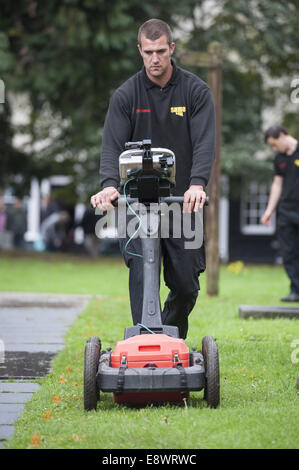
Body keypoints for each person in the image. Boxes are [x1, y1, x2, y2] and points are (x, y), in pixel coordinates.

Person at [91, 19, 216, 338]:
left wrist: (198, 184)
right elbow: (111, 147)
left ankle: (165, 340)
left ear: (171, 48)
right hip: (135, 204)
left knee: (187, 285)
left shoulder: (195, 91)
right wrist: (108, 187)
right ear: (140, 51)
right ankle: (145, 344)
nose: (155, 58)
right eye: (149, 52)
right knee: (141, 275)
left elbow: (205, 143)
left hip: (182, 204)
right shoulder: (126, 96)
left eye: (161, 51)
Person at [261, 125, 299, 302]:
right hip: (286, 211)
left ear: (283, 135)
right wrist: (269, 210)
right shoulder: (280, 159)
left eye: (275, 144)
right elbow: (277, 185)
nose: (274, 149)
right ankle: (296, 290)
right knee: (288, 251)